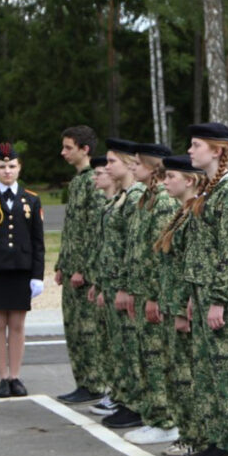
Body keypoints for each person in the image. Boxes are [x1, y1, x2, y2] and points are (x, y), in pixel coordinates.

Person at [182, 122, 228, 456]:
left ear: (217, 150)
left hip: (222, 297)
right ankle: (215, 440)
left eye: (196, 145)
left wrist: (219, 299)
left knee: (226, 373)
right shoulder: (211, 190)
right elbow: (202, 250)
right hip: (205, 292)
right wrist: (196, 293)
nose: (190, 151)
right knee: (207, 371)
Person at [122, 142, 180, 446]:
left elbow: (160, 253)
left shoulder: (163, 201)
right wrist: (134, 290)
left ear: (151, 166)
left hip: (155, 292)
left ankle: (165, 420)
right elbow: (137, 249)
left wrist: (155, 295)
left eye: (137, 163)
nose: (132, 167)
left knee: (157, 357)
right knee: (147, 355)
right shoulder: (147, 197)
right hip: (142, 289)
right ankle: (155, 416)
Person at [0, 143, 45, 398]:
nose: (7, 171)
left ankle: (15, 376)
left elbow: (38, 242)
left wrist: (37, 275)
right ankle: (2, 378)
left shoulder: (31, 199)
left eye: (12, 166)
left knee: (17, 324)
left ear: (19, 168)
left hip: (21, 269)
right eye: (2, 167)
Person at [154, 155, 206, 456]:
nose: (165, 182)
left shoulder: (195, 213)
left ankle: (195, 437)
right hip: (172, 302)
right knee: (177, 374)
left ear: (190, 180)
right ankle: (187, 433)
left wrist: (184, 305)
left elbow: (192, 264)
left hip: (182, 306)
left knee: (188, 376)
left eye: (171, 176)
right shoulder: (181, 212)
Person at [97, 139, 147, 430]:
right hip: (114, 282)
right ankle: (126, 399)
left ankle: (135, 403)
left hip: (126, 284)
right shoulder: (123, 196)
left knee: (131, 346)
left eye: (112, 161)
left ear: (128, 164)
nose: (106, 167)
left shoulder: (135, 196)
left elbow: (133, 246)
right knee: (121, 346)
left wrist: (125, 287)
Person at [55, 126, 106, 404]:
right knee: (73, 328)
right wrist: (62, 264)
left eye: (68, 147)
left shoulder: (92, 181)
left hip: (83, 273)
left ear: (84, 149)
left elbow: (93, 229)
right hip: (71, 268)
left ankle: (94, 382)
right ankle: (82, 381)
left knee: (87, 330)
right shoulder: (77, 182)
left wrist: (83, 269)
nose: (63, 152)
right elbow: (72, 229)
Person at [85, 155, 119, 415]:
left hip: (119, 286)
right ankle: (115, 392)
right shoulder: (109, 204)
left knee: (118, 344)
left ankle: (120, 395)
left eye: (100, 172)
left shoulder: (122, 203)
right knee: (107, 341)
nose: (97, 176)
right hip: (106, 281)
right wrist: (98, 282)